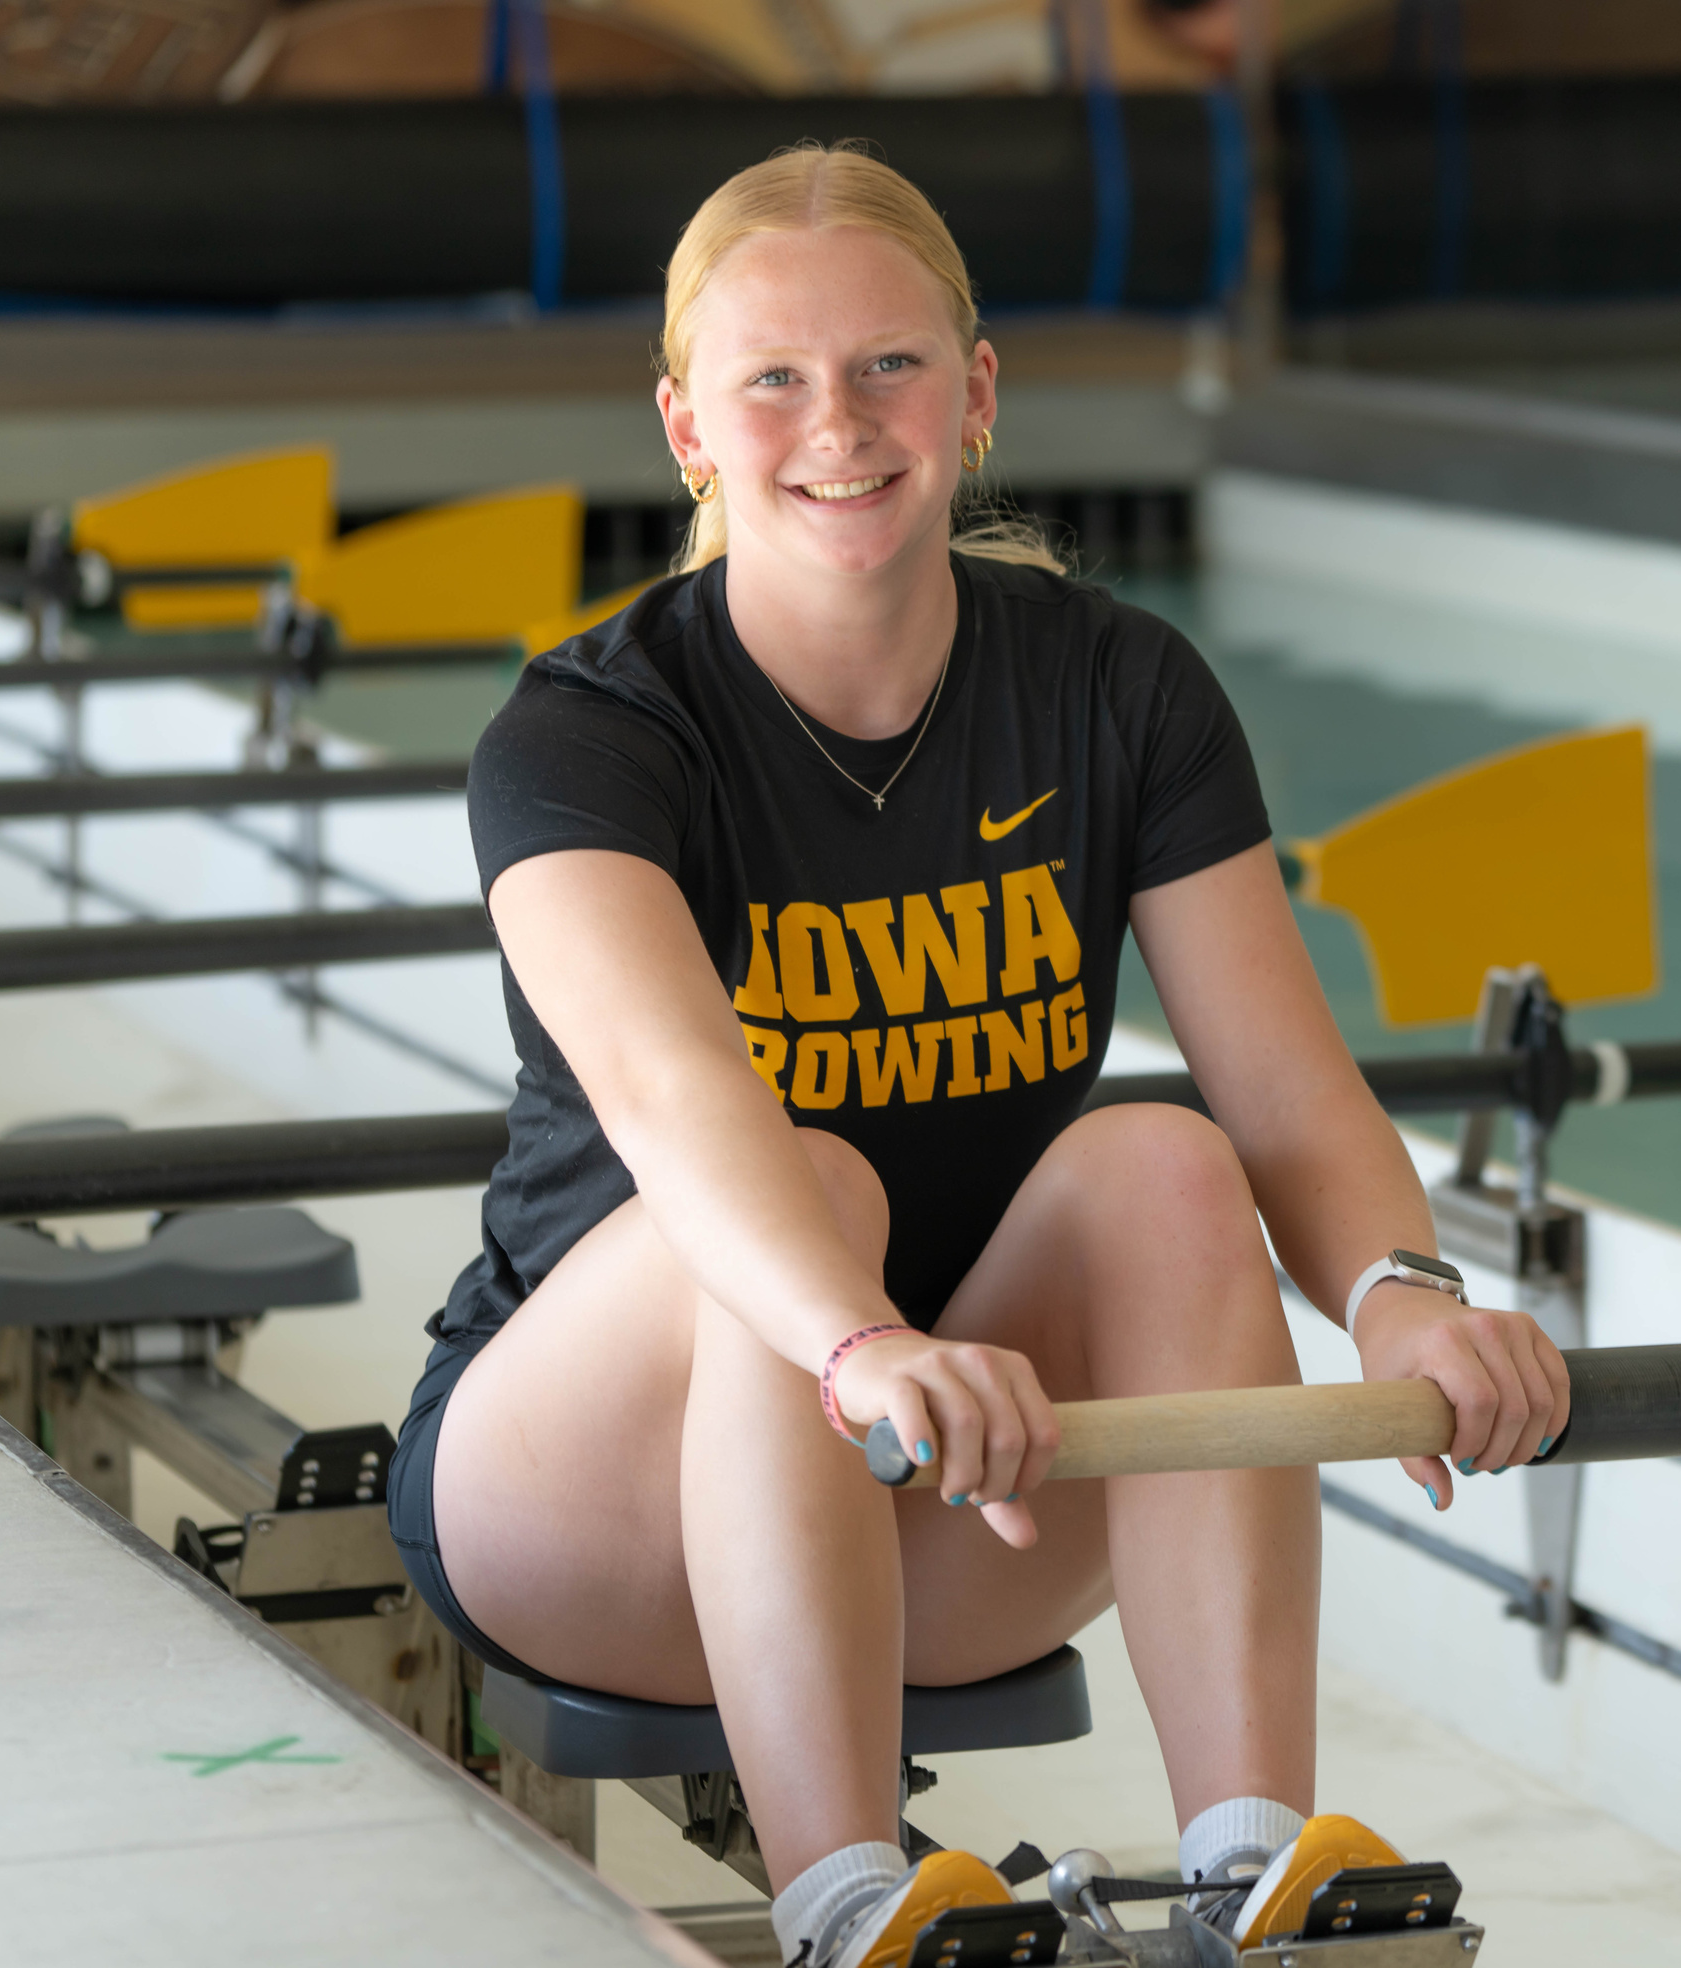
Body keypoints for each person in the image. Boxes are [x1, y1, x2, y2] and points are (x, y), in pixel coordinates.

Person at [381, 141, 1571, 1968]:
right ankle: (850, 1905)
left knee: (1167, 1157)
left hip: (956, 1499)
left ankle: (1260, 1884)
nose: (837, 424)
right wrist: (858, 1343)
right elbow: (680, 1115)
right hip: (584, 1514)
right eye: (771, 377)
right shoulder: (586, 733)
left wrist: (1407, 1299)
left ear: (977, 394)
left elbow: (1284, 1091)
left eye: (889, 366)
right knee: (805, 1190)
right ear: (689, 428)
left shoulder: (1121, 684)